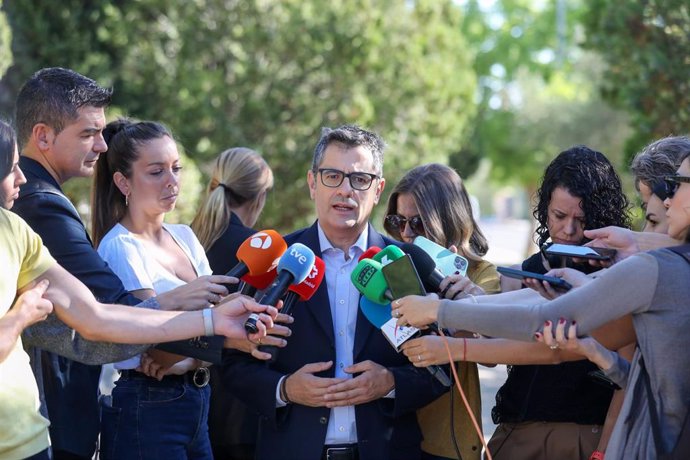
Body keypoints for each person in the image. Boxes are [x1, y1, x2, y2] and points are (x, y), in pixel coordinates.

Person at [0, 119, 277, 460]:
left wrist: (193, 329)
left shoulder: (187, 237)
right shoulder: (120, 246)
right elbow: (153, 346)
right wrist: (200, 319)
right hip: (150, 404)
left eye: (175, 168)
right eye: (156, 171)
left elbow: (172, 331)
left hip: (198, 401)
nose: (172, 181)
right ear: (123, 181)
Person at [391, 150, 690, 460]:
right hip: (520, 429)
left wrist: (444, 320)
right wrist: (475, 305)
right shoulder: (656, 264)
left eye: (652, 219)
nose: (570, 229)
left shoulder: (652, 269)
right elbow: (640, 377)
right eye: (559, 216)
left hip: (601, 437)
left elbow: (544, 323)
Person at [223, 125, 447, 460]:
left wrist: (390, 382)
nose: (345, 190)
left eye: (359, 179)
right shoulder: (275, 260)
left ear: (378, 189)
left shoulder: (407, 263)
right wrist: (284, 389)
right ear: (312, 183)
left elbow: (443, 369)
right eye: (332, 176)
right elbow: (233, 365)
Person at [382, 163, 500, 460]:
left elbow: (492, 355)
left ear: (446, 220)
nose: (406, 233)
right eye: (398, 221)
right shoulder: (382, 266)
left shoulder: (479, 275)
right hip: (386, 434)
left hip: (447, 442)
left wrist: (462, 306)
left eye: (418, 223)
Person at [191, 147, 274, 459]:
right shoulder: (263, 250)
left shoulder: (185, 239)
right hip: (241, 412)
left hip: (188, 398)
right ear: (259, 197)